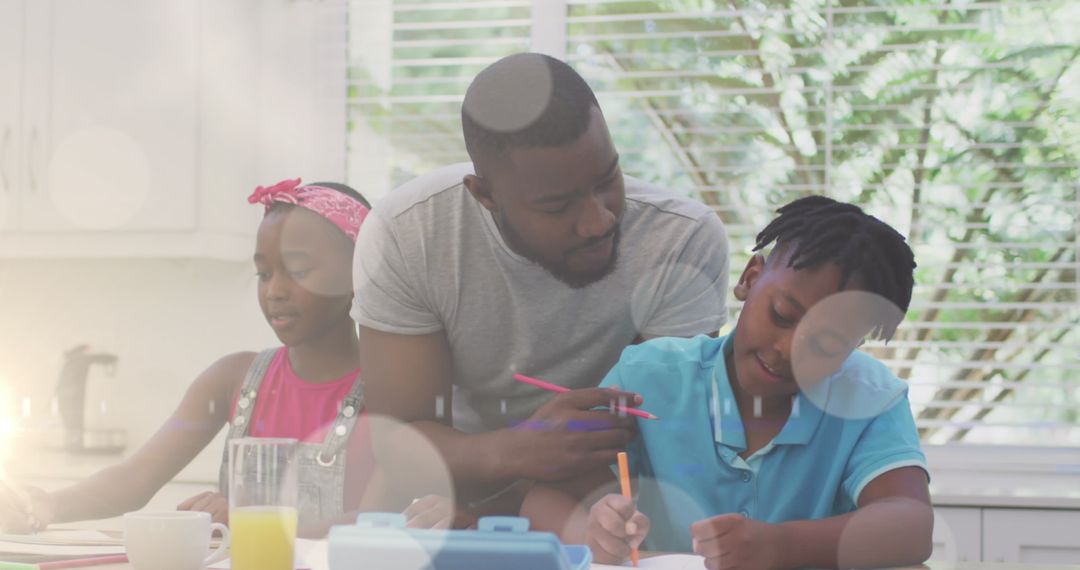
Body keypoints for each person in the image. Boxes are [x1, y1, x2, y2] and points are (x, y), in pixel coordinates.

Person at [351, 52, 730, 513]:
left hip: (606, 506)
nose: (598, 220)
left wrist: (520, 499)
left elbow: (664, 443)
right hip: (447, 501)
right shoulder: (408, 233)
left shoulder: (682, 241)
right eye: (557, 207)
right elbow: (398, 442)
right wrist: (520, 451)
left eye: (608, 178)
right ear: (485, 195)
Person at [523, 196, 933, 570]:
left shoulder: (869, 398)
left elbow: (911, 526)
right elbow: (544, 499)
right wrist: (593, 533)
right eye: (782, 316)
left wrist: (782, 546)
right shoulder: (649, 376)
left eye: (827, 343)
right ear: (750, 279)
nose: (788, 349)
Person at [0, 179, 389, 537]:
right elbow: (135, 480)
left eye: (298, 270)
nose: (275, 291)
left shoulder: (391, 389)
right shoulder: (233, 379)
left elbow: (384, 520)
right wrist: (45, 503)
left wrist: (250, 520)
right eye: (264, 273)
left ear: (359, 275)